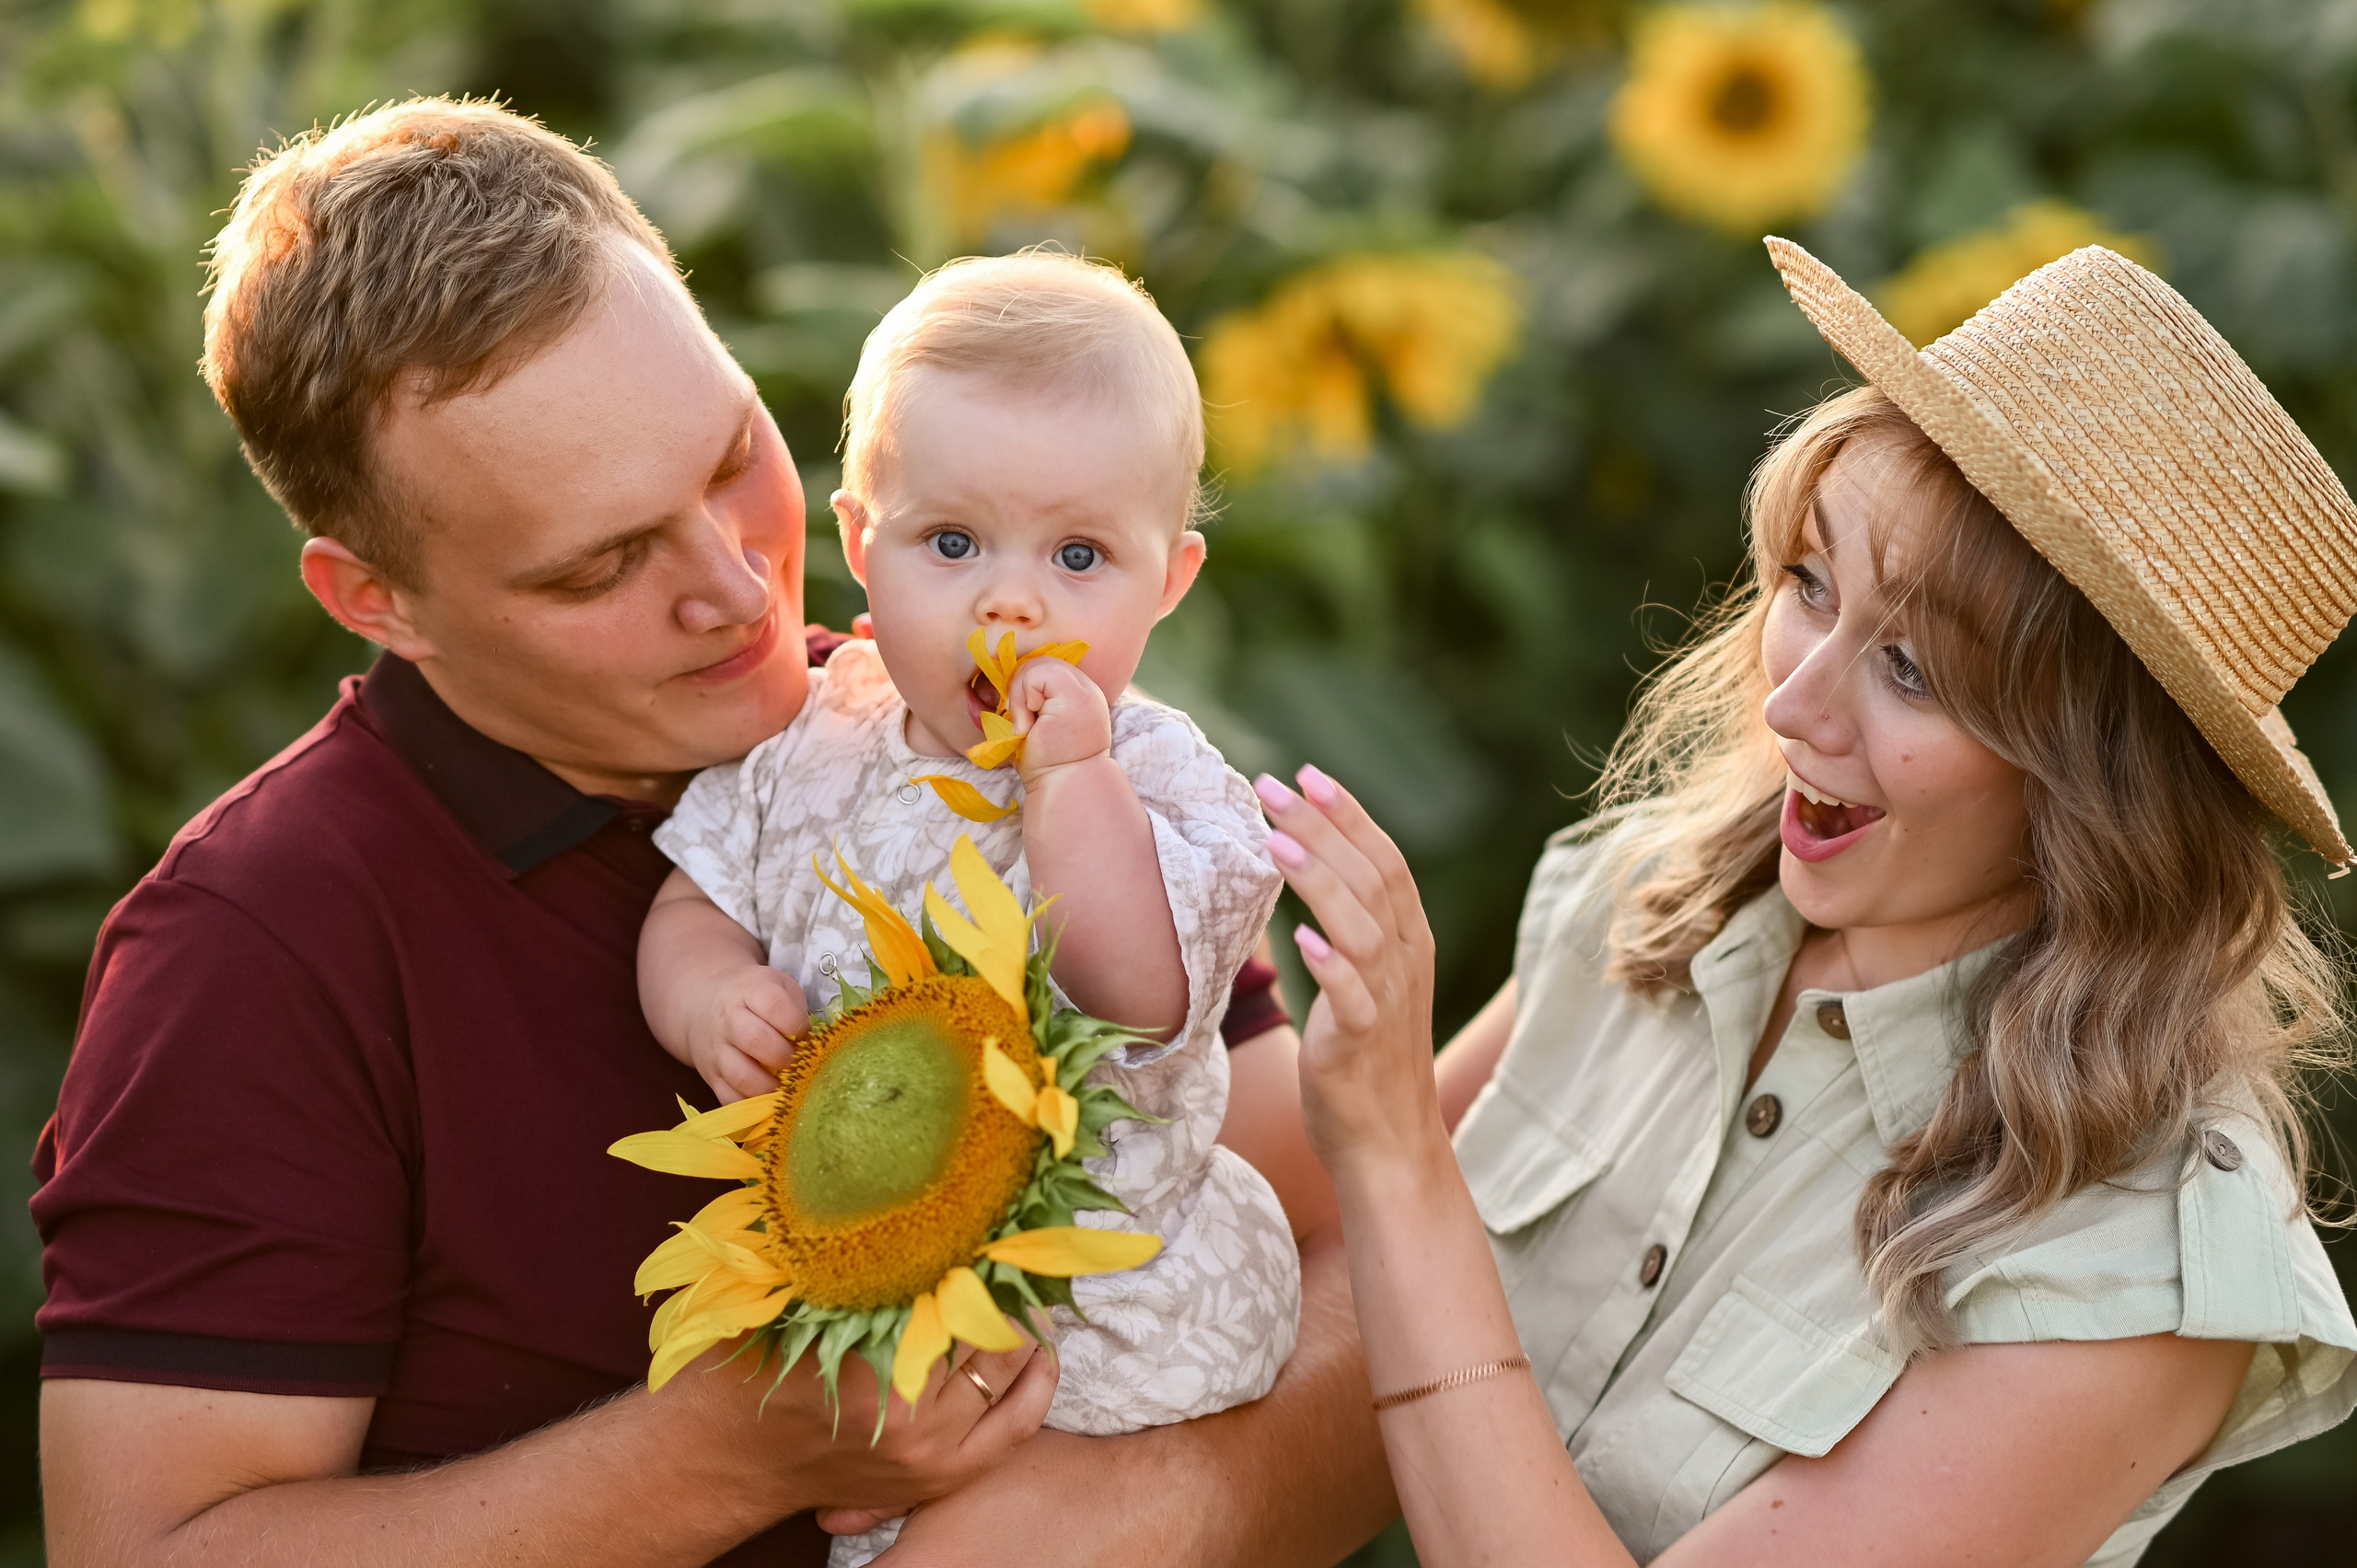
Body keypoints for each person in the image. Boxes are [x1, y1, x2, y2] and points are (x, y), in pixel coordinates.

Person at [32, 99, 1392, 1568]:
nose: (740, 593)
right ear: (380, 602)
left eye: (732, 455)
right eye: (602, 563)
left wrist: (1125, 1519)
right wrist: (719, 1457)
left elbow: (1326, 1248)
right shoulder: (259, 951)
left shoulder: (951, 745)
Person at [1258, 238, 2357, 1565]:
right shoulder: (1662, 887)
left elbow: (1386, 1182)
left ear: (2098, 789)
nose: (1788, 703)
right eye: (1808, 585)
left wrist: (1394, 1158)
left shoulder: (2143, 1264)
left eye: (1909, 669)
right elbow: (1296, 1246)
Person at [640, 250, 1300, 1563]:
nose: (1013, 599)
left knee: (1037, 1515)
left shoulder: (1163, 779)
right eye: (952, 543)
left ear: (1168, 581)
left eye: (1079, 555)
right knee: (868, 1492)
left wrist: (1072, 786)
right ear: (856, 548)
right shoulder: (811, 741)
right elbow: (690, 898)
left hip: (1113, 1290)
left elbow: (1139, 990)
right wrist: (711, 993)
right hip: (883, 1271)